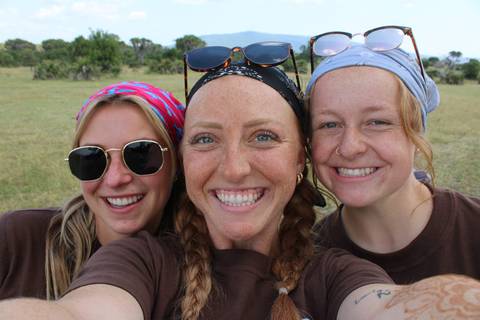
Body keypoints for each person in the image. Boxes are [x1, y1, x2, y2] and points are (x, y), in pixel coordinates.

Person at [1, 58, 480, 320]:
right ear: (184, 160)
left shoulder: (332, 273)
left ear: (301, 160)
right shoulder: (140, 262)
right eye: (206, 138)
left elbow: (388, 308)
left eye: (264, 136)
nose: (233, 168)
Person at [306, 29, 480, 284]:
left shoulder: (473, 228)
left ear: (416, 133)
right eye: (330, 125)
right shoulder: (306, 258)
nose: (350, 147)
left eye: (377, 122)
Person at [0, 81, 185, 300]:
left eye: (141, 154)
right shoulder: (17, 238)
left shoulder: (199, 264)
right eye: (92, 157)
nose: (115, 179)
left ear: (177, 163)